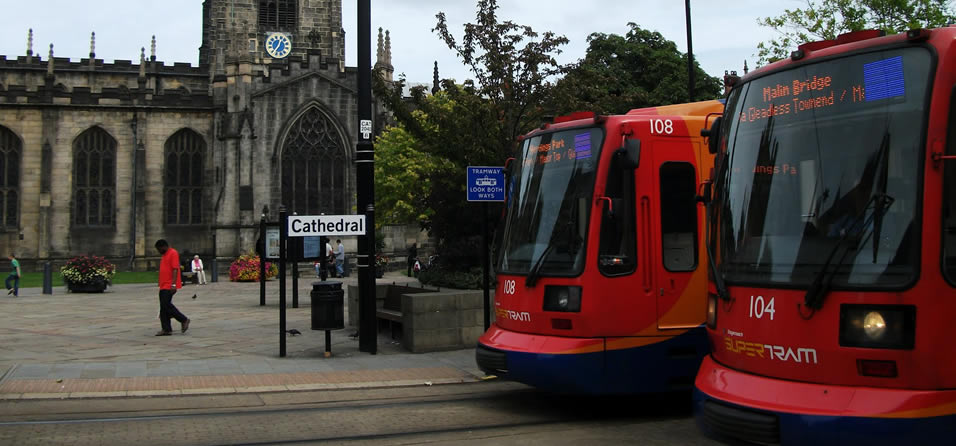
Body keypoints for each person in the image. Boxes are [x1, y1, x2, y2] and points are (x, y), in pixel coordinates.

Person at [155, 239, 189, 336]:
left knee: (166, 305)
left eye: (159, 249)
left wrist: (173, 284)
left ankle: (184, 319)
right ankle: (166, 329)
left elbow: (175, 269)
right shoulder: (164, 255)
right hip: (163, 285)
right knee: (163, 307)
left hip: (169, 285)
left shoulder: (173, 253)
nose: (159, 251)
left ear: (163, 246)